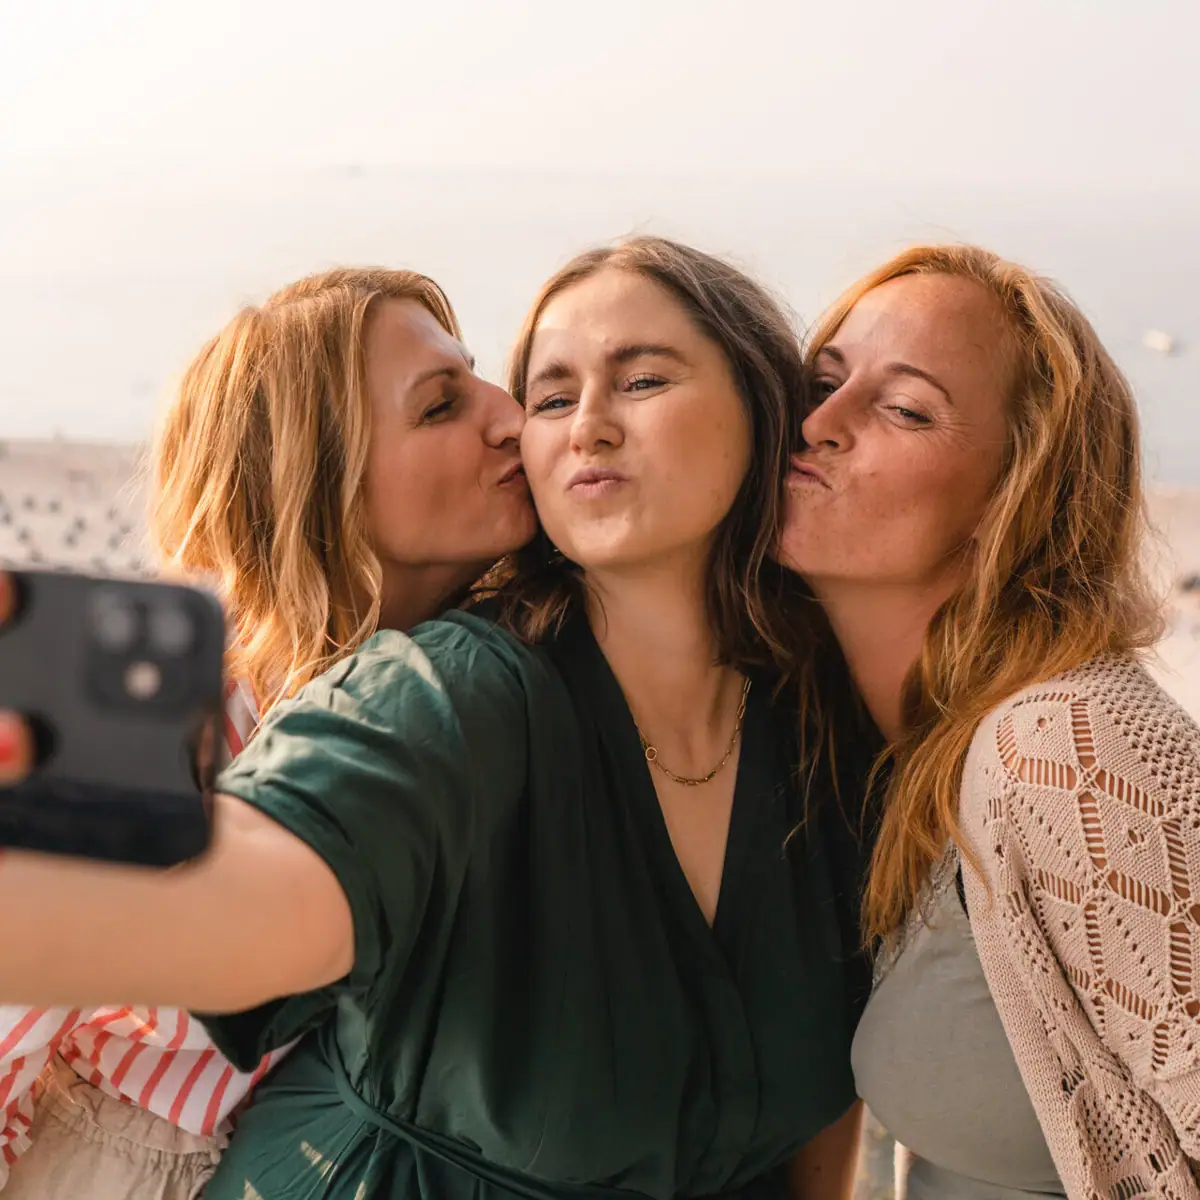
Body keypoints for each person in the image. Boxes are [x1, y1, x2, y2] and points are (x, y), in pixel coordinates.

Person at [0, 236, 871, 1200]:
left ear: (761, 400)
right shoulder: (426, 692)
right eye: (548, 396)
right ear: (324, 481)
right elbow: (239, 899)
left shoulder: (822, 720)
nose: (539, 424)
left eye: (642, 380)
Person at [0, 264, 534, 1199]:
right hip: (120, 1161)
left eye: (478, 376)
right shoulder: (194, 703)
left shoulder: (467, 681)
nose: (513, 417)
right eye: (440, 405)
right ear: (321, 480)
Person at [776, 243, 1200, 1200]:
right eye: (824, 383)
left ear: (1016, 495)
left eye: (905, 408)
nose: (820, 424)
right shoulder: (900, 754)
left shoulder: (1068, 747)